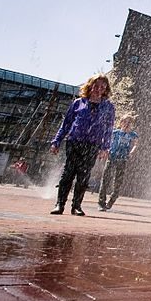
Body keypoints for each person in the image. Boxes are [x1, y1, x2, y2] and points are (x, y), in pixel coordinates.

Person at [49, 74, 116, 216]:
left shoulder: (108, 107)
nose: (99, 89)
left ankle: (76, 206)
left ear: (106, 89)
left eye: (103, 87)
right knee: (68, 174)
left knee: (83, 176)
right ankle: (59, 205)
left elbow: (109, 129)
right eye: (96, 86)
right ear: (90, 86)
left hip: (93, 145)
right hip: (74, 142)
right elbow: (66, 124)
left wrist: (105, 147)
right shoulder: (79, 102)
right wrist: (57, 141)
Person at [98, 115, 138, 211]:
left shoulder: (133, 135)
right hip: (112, 157)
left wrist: (132, 152)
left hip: (122, 159)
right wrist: (105, 150)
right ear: (121, 123)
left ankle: (111, 201)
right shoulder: (115, 132)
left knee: (118, 182)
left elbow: (136, 144)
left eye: (129, 123)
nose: (127, 124)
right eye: (125, 122)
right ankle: (101, 202)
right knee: (105, 179)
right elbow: (107, 141)